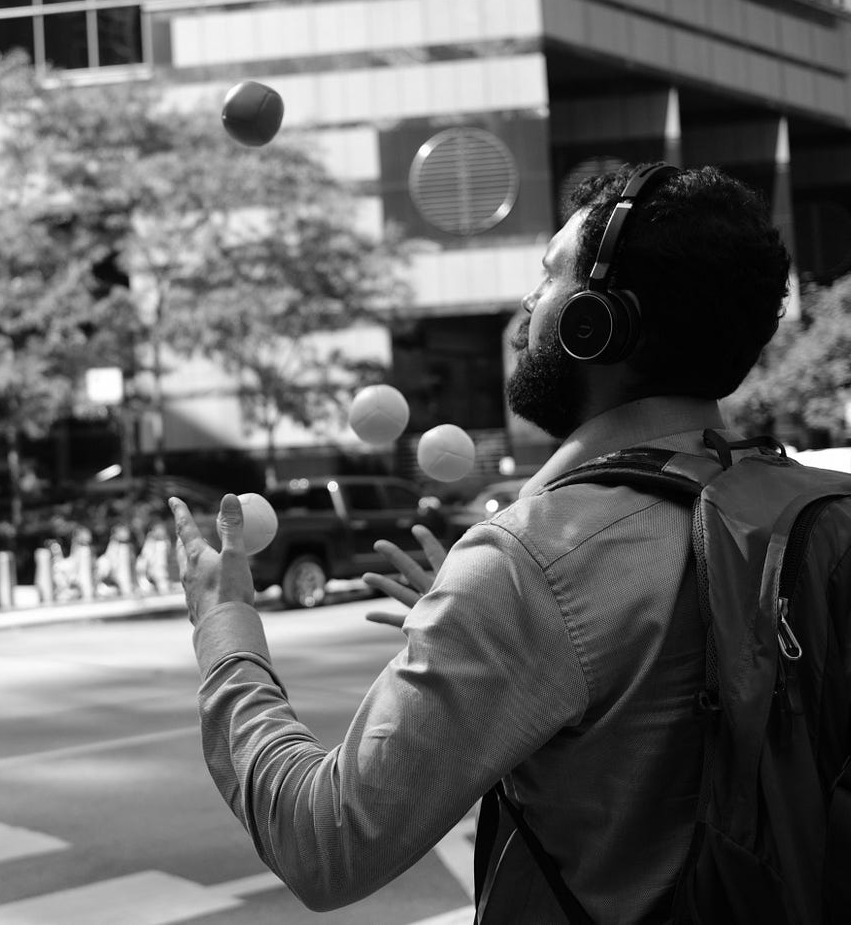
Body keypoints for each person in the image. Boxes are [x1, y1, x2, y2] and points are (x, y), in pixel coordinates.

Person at [167, 164, 793, 921]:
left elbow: (325, 841)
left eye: (549, 276)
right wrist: (478, 618)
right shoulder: (785, 501)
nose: (529, 305)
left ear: (599, 321)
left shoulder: (537, 559)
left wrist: (223, 630)